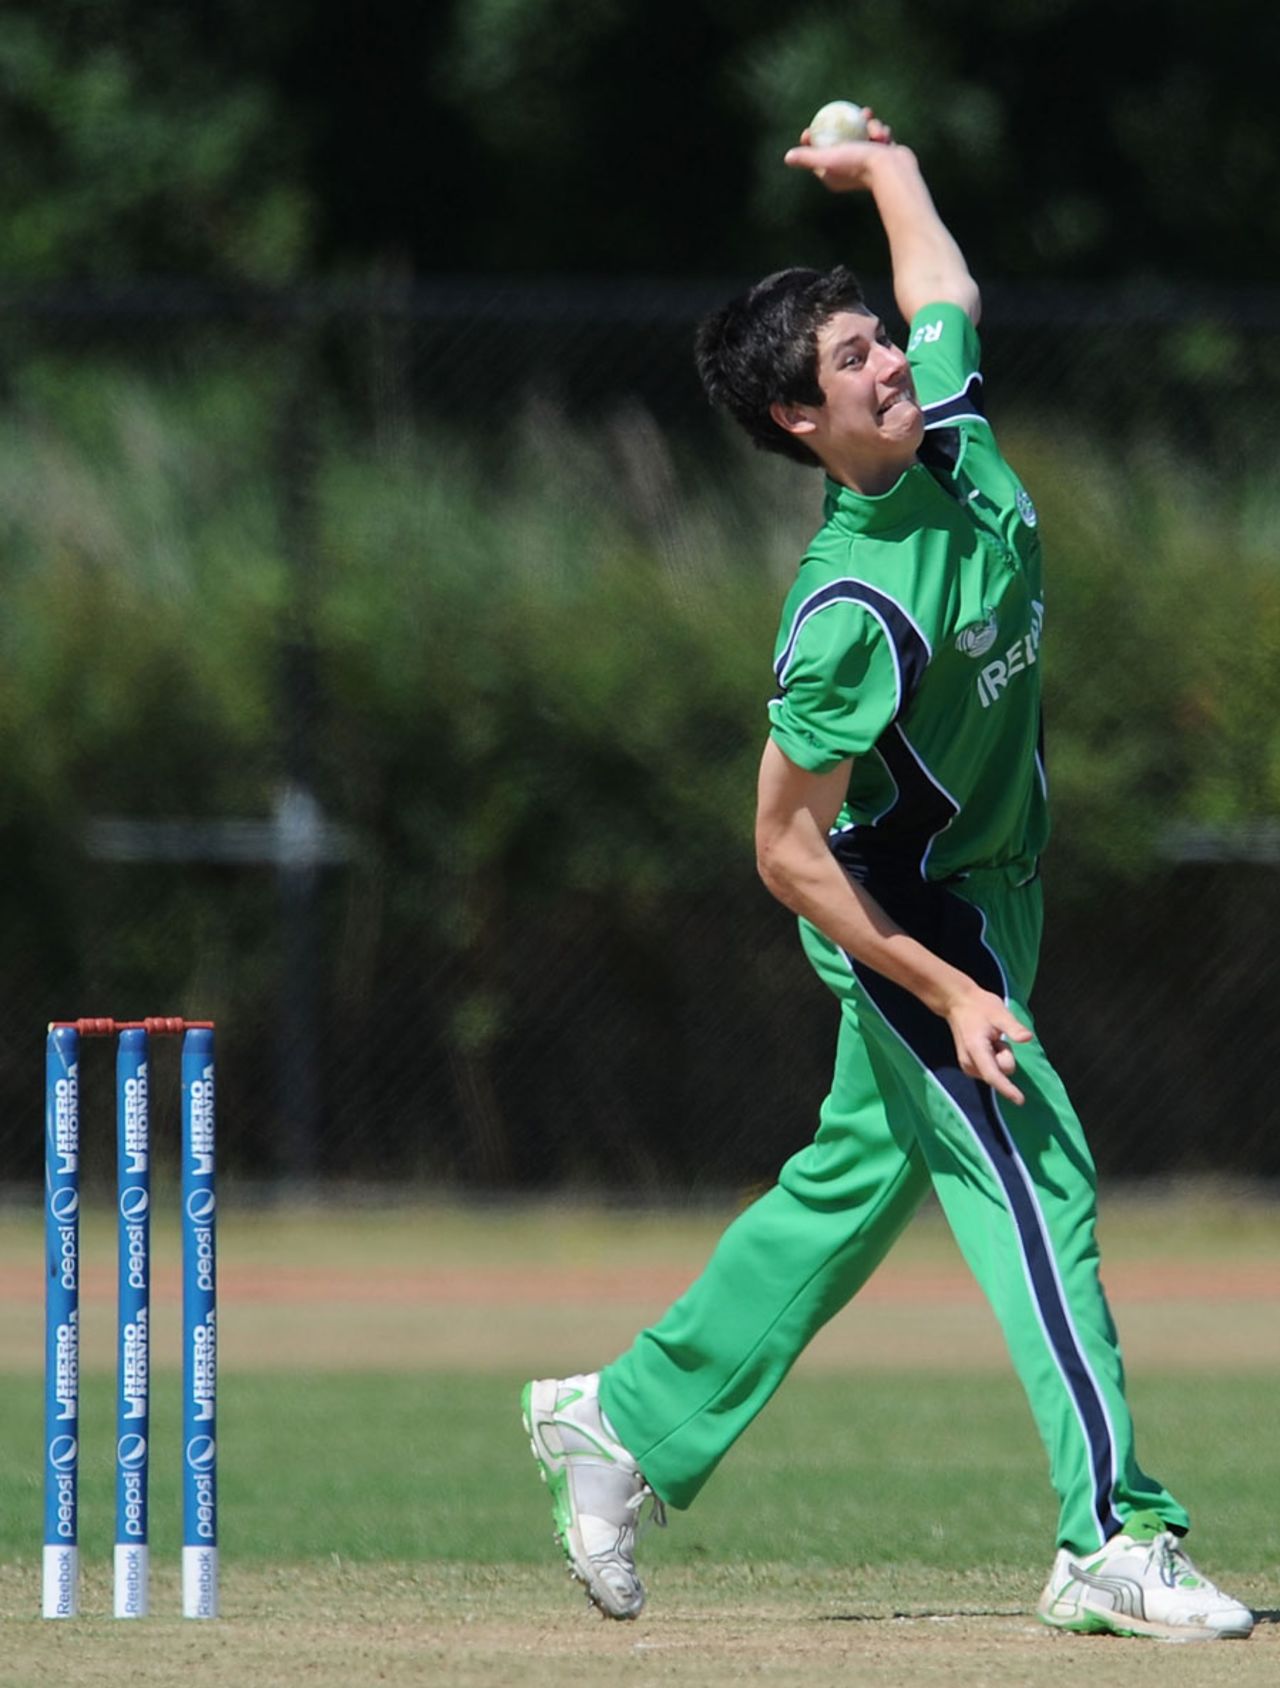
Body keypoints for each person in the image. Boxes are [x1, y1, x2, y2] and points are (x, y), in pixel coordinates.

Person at [521, 113, 1254, 1644]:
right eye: (854, 362)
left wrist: (883, 166)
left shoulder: (961, 441)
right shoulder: (848, 608)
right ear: (800, 420)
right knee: (1041, 1184)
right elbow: (784, 847)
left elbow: (950, 292)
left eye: (880, 342)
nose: (890, 366)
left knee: (851, 1187)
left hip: (1002, 887)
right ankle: (1110, 1536)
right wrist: (948, 986)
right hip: (911, 915)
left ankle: (626, 1422)